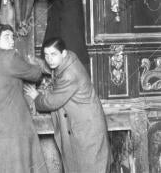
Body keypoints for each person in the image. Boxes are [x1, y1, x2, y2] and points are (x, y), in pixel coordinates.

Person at [24, 37, 111, 173]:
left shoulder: (70, 74)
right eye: (46, 55)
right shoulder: (69, 59)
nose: (49, 59)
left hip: (87, 130)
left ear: (63, 53)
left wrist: (36, 97)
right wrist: (36, 62)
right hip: (82, 126)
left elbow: (52, 102)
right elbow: (51, 67)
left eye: (53, 54)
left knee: (90, 167)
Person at [0, 24, 48, 173]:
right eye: (7, 37)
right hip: (9, 129)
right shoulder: (8, 56)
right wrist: (34, 63)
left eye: (12, 37)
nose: (12, 41)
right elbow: (35, 74)